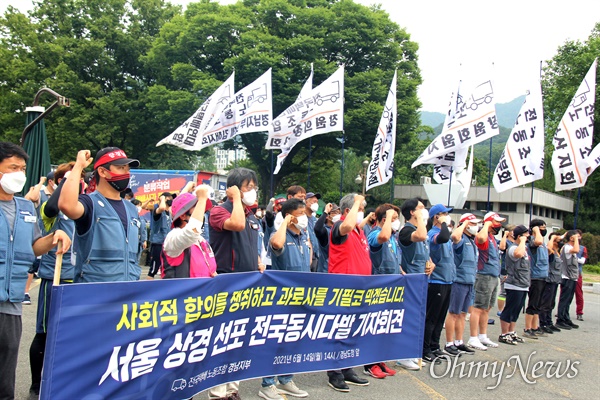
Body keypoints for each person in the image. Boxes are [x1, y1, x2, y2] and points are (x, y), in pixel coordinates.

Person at [0, 141, 71, 400]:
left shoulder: (26, 208)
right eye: (12, 167)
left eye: (22, 168)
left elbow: (34, 247)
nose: (19, 173)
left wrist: (54, 237)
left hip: (11, 303)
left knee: (5, 375)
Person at [208, 167, 265, 400]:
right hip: (227, 282)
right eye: (247, 187)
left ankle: (233, 389)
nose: (253, 192)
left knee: (240, 340)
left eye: (254, 187)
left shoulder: (251, 215)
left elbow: (250, 242)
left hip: (249, 284)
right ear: (234, 189)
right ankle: (218, 393)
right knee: (223, 340)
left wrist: (259, 260)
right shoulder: (219, 211)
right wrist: (235, 200)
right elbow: (237, 225)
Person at [28, 162, 79, 395]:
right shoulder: (52, 208)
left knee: (72, 334)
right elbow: (50, 209)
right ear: (58, 183)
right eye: (72, 180)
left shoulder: (81, 206)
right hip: (54, 278)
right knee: (46, 333)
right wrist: (68, 178)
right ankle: (36, 384)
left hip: (78, 279)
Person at [59, 147, 142, 283]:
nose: (127, 173)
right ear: (103, 171)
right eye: (121, 168)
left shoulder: (131, 209)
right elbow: (66, 205)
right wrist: (79, 165)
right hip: (95, 291)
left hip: (128, 291)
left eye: (128, 169)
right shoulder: (90, 203)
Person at [259, 198, 310, 399]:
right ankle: (267, 384)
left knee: (293, 341)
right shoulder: (278, 234)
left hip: (302, 296)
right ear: (290, 216)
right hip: (282, 298)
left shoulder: (304, 234)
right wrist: (284, 223)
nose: (304, 217)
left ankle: (286, 379)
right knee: (277, 341)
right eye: (300, 214)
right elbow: (277, 244)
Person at [326, 193, 371, 392]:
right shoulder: (340, 226)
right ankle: (334, 372)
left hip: (358, 288)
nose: (362, 213)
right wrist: (356, 203)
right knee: (339, 330)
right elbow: (345, 226)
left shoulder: (359, 231)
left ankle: (347, 368)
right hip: (342, 288)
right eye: (360, 209)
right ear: (348, 211)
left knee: (352, 330)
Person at [363, 203, 400, 379]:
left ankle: (380, 359)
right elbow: (383, 236)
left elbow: (393, 259)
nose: (397, 222)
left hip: (392, 287)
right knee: (374, 326)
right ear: (385, 220)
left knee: (385, 326)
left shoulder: (393, 237)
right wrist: (387, 219)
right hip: (378, 287)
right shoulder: (376, 234)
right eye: (394, 219)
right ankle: (370, 363)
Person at [397, 197, 432, 368]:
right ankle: (403, 355)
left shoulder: (420, 227)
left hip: (421, 280)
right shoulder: (406, 230)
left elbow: (425, 251)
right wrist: (420, 220)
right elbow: (421, 236)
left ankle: (413, 353)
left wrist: (431, 263)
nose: (424, 210)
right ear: (412, 212)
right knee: (408, 317)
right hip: (410, 280)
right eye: (420, 208)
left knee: (418, 317)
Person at [161, 186, 217, 278]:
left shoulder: (201, 240)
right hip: (183, 292)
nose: (201, 213)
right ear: (183, 216)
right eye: (196, 208)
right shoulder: (172, 237)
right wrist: (202, 200)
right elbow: (191, 233)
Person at [468, 211, 504, 351]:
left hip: (493, 276)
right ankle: (473, 337)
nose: (499, 225)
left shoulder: (492, 238)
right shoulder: (483, 235)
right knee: (478, 307)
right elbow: (480, 239)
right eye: (496, 222)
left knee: (487, 308)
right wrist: (487, 223)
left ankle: (483, 335)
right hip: (484, 275)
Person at [446, 213, 480, 356]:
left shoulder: (471, 241)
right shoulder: (460, 239)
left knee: (462, 313)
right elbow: (454, 237)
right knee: (454, 313)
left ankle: (459, 341)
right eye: (472, 224)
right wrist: (464, 224)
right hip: (459, 280)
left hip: (469, 281)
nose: (475, 226)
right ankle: (449, 343)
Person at [424, 204, 455, 360]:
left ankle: (435, 345)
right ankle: (425, 348)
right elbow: (441, 238)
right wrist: (443, 223)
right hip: (436, 280)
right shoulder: (433, 233)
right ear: (436, 216)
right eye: (443, 214)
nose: (447, 217)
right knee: (432, 317)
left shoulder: (445, 233)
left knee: (441, 317)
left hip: (447, 280)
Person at [498, 225, 530, 345]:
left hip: (523, 284)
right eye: (525, 235)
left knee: (516, 310)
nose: (528, 237)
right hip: (514, 284)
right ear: (520, 236)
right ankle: (504, 334)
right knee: (509, 309)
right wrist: (521, 241)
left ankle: (511, 332)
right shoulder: (513, 248)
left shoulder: (524, 248)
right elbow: (517, 254)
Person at [523, 219, 549, 338]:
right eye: (541, 227)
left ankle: (535, 326)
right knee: (533, 304)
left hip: (543, 275)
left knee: (538, 304)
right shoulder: (533, 241)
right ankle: (528, 328)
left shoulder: (542, 242)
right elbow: (537, 241)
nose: (544, 230)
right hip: (535, 276)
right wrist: (536, 231)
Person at [555, 230, 581, 330]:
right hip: (567, 276)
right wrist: (575, 240)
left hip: (572, 277)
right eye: (577, 237)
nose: (579, 239)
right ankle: (560, 319)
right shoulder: (567, 247)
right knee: (564, 299)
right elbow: (577, 250)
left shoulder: (571, 247)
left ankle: (566, 318)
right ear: (571, 238)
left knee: (569, 300)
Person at [539, 232, 564, 333]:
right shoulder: (550, 251)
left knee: (551, 303)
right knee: (546, 303)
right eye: (559, 241)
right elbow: (548, 248)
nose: (561, 243)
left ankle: (549, 322)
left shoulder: (558, 252)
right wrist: (553, 237)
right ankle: (543, 323)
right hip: (549, 280)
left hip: (555, 280)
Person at [148, 191, 174, 278]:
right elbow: (162, 208)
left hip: (166, 243)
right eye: (169, 198)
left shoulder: (169, 213)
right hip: (158, 243)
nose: (171, 200)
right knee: (153, 269)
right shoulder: (158, 211)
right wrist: (162, 198)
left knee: (165, 268)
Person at [313, 202, 340, 273]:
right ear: (328, 216)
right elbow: (317, 229)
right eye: (335, 212)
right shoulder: (325, 231)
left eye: (339, 213)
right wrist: (325, 212)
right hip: (326, 271)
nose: (338, 215)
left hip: (338, 270)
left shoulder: (339, 230)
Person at [496, 225, 515, 316]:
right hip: (505, 269)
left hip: (514, 270)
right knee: (503, 292)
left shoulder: (515, 243)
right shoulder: (506, 242)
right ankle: (500, 310)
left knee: (511, 292)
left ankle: (508, 309)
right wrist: (505, 235)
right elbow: (502, 247)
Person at [304, 192, 321, 272]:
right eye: (313, 202)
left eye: (317, 202)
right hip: (306, 256)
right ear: (306, 202)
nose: (316, 204)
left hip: (316, 256)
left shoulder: (315, 220)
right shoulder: (301, 219)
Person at [575, 230, 587, 321]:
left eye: (578, 236)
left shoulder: (583, 248)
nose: (577, 238)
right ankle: (562, 311)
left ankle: (579, 312)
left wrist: (574, 257)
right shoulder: (566, 247)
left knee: (579, 294)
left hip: (577, 272)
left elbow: (583, 261)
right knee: (565, 294)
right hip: (566, 273)